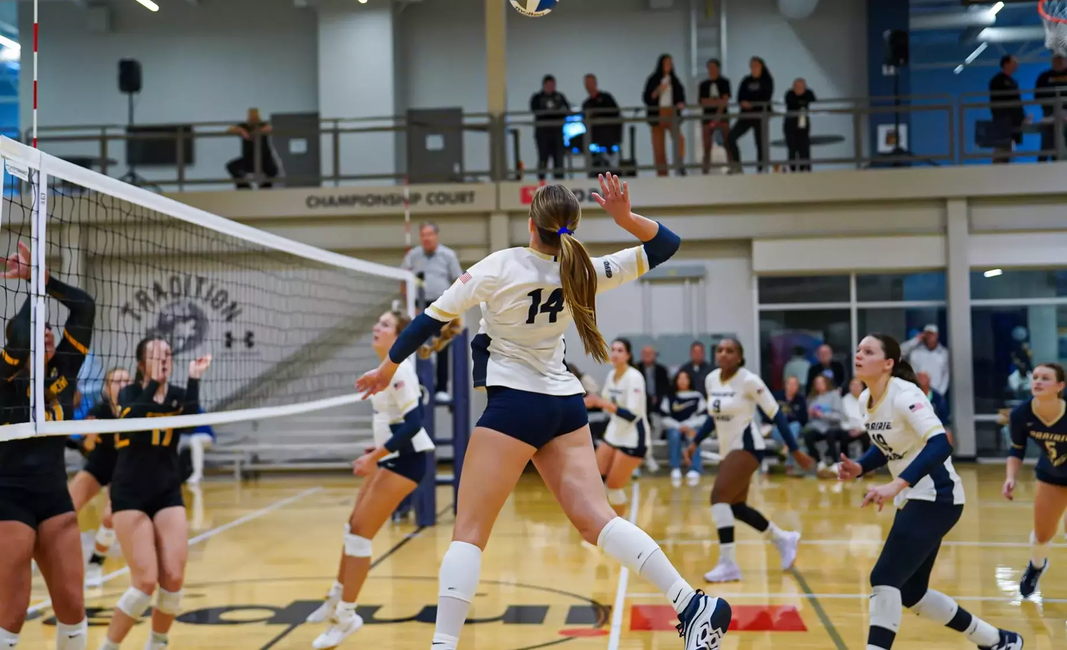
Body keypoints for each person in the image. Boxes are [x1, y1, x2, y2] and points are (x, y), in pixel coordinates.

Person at [356, 174, 732, 650]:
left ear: (532, 225)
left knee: (468, 533)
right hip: (564, 405)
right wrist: (624, 218)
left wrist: (388, 367)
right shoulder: (584, 270)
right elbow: (666, 245)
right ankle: (691, 603)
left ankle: (443, 646)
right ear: (568, 229)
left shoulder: (499, 266)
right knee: (598, 521)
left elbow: (430, 320)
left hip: (515, 404)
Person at [837, 333, 1021, 650]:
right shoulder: (864, 399)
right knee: (911, 592)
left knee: (884, 578)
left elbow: (940, 444)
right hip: (916, 498)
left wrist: (897, 483)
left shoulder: (905, 394)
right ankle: (996, 640)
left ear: (888, 363)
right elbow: (887, 447)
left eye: (868, 351)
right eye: (858, 351)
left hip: (939, 497)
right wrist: (861, 466)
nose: (859, 355)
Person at [306, 309, 440, 648]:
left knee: (360, 536)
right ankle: (337, 597)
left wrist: (374, 457)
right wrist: (377, 448)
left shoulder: (401, 373)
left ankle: (347, 617)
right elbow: (395, 421)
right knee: (353, 527)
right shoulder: (387, 370)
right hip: (391, 456)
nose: (375, 327)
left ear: (399, 336)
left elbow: (414, 424)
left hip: (405, 461)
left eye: (383, 324)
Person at [0, 241, 94, 650]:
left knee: (73, 606)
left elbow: (85, 307)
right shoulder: (5, 380)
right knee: (11, 615)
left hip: (55, 497)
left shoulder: (63, 371)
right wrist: (31, 295)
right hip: (9, 501)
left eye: (50, 326)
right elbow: (19, 338)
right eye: (41, 327)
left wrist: (43, 278)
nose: (49, 330)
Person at [98, 338, 211, 650]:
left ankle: (157, 643)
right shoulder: (130, 392)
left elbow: (191, 421)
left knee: (173, 577)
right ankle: (108, 647)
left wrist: (193, 378)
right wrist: (154, 385)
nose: (164, 360)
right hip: (130, 492)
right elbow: (134, 418)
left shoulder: (176, 396)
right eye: (156, 355)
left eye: (168, 355)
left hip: (166, 490)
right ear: (140, 364)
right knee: (145, 582)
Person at [686, 339, 814, 583]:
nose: (723, 354)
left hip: (748, 447)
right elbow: (714, 417)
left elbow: (776, 414)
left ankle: (728, 564)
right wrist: (695, 442)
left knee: (718, 497)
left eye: (729, 351)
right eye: (720, 350)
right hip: (728, 451)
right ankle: (782, 538)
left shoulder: (749, 380)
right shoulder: (711, 379)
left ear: (740, 357)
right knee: (735, 507)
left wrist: (795, 450)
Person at [1003, 362, 1067, 598]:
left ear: (1060, 386)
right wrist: (1010, 478)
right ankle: (1036, 566)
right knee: (1042, 535)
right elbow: (1016, 450)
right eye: (1035, 377)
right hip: (1051, 476)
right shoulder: (1021, 414)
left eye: (1045, 378)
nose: (1038, 382)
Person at [68, 367, 132, 588]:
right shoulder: (99, 410)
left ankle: (95, 562)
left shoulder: (138, 410)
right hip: (98, 465)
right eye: (116, 382)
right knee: (64, 509)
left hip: (123, 469)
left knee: (109, 517)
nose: (122, 386)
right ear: (107, 387)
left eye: (126, 381)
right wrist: (90, 438)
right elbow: (86, 448)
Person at [585, 338, 649, 516]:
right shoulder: (611, 375)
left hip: (633, 436)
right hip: (614, 433)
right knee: (594, 481)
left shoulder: (634, 377)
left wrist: (601, 403)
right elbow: (605, 402)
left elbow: (632, 415)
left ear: (628, 355)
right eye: (613, 349)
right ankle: (602, 523)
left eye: (620, 350)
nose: (615, 353)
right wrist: (590, 402)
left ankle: (619, 528)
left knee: (613, 487)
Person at [401, 222, 464, 402]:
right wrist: (409, 305)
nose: (426, 238)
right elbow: (403, 280)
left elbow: (459, 280)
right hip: (419, 306)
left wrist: (454, 305)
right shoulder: (412, 256)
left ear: (436, 236)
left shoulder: (448, 255)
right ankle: (418, 384)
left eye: (429, 234)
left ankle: (441, 388)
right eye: (423, 235)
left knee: (442, 345)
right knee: (415, 345)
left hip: (442, 305)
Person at [726, 57, 774, 173]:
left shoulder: (767, 80)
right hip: (746, 116)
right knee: (731, 137)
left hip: (760, 116)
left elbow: (766, 96)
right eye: (752, 65)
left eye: (756, 65)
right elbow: (740, 96)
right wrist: (744, 103)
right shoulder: (746, 80)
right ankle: (737, 165)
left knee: (760, 144)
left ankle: (761, 169)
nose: (754, 68)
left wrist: (752, 103)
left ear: (762, 66)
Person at [643, 54, 687, 177]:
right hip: (657, 113)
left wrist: (680, 104)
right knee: (658, 146)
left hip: (671, 112)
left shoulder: (675, 80)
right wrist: (658, 90)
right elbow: (647, 98)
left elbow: (681, 96)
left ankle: (679, 165)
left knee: (679, 139)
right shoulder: (653, 79)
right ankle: (662, 173)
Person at [661, 370, 707, 486]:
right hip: (674, 427)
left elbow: (704, 416)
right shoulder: (670, 397)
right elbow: (664, 417)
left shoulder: (697, 396)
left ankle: (694, 469)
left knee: (694, 436)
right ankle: (675, 467)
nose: (682, 381)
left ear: (689, 380)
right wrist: (679, 426)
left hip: (692, 427)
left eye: (685, 378)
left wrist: (688, 425)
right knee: (674, 435)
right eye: (679, 378)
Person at [800, 375, 845, 479]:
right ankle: (820, 462)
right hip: (817, 427)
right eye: (817, 383)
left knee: (831, 434)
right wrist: (811, 414)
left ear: (826, 383)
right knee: (808, 436)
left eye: (821, 382)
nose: (819, 385)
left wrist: (822, 415)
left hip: (832, 426)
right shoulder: (812, 399)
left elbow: (839, 416)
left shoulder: (834, 395)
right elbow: (810, 418)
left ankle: (835, 463)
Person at [530, 74, 571, 180]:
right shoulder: (537, 97)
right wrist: (551, 113)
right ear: (544, 85)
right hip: (543, 133)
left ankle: (559, 181)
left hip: (557, 132)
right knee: (543, 158)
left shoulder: (559, 97)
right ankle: (541, 181)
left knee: (558, 159)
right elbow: (535, 110)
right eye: (549, 85)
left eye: (553, 85)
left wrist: (555, 114)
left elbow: (566, 110)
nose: (551, 87)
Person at [226, 108, 278, 189]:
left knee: (273, 170)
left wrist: (259, 132)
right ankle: (244, 186)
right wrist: (241, 131)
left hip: (264, 158)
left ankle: (265, 188)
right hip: (249, 158)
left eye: (255, 117)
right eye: (251, 117)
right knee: (231, 166)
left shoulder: (263, 124)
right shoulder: (244, 126)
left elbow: (271, 127)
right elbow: (229, 129)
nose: (253, 119)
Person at [989, 55, 1026, 164]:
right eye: (1014, 62)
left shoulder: (1013, 82)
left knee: (1009, 150)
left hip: (1013, 123)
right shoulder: (997, 81)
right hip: (1003, 122)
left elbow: (1017, 102)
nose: (1017, 65)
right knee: (1001, 149)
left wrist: (1022, 117)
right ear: (1006, 64)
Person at [698, 58, 731, 173]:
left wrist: (717, 113)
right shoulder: (703, 85)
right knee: (706, 146)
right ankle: (705, 171)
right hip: (707, 117)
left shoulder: (725, 82)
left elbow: (725, 101)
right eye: (709, 67)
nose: (711, 70)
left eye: (713, 67)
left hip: (722, 116)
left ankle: (733, 168)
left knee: (728, 143)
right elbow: (703, 102)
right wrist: (717, 101)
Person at [1035, 54, 1067, 162]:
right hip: (1049, 115)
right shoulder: (1044, 77)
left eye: (1061, 60)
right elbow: (1037, 96)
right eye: (1056, 60)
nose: (1058, 62)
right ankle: (1042, 167)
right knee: (1047, 143)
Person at [783, 78, 816, 172]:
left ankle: (805, 169)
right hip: (790, 125)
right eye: (797, 86)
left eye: (801, 86)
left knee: (804, 147)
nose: (799, 89)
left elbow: (814, 102)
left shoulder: (809, 93)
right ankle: (792, 169)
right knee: (792, 148)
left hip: (803, 125)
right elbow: (791, 104)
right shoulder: (789, 94)